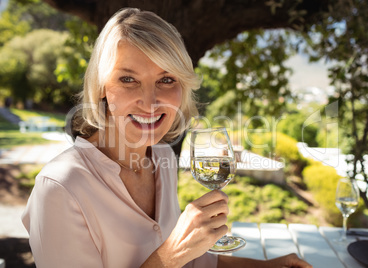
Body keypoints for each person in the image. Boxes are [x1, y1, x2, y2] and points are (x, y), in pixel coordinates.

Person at [22, 8, 312, 268]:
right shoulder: (59, 188)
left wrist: (268, 266)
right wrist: (170, 256)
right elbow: (177, 257)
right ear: (101, 87)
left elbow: (196, 262)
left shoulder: (161, 157)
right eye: (128, 79)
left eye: (166, 79)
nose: (150, 102)